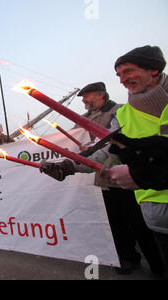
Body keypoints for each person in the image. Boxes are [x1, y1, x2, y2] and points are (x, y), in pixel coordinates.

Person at [40, 46, 168, 277]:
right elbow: (106, 148)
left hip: (137, 185)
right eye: (119, 75)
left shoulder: (117, 110)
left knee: (140, 232)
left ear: (154, 69)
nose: (123, 79)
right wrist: (69, 166)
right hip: (154, 208)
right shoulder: (124, 115)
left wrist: (140, 174)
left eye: (128, 71)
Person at [75, 82, 163, 275]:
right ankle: (127, 258)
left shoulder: (119, 111)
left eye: (86, 96)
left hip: (127, 174)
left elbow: (115, 142)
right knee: (116, 223)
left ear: (100, 95)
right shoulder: (82, 120)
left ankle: (157, 265)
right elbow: (84, 144)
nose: (83, 101)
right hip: (104, 177)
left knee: (139, 223)